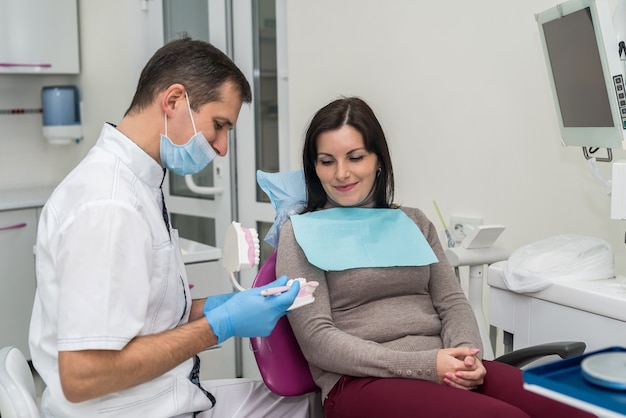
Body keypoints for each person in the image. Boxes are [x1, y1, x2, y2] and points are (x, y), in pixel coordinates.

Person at [29, 37, 310, 418]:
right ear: (174, 100)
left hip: (160, 395)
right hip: (126, 410)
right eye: (219, 125)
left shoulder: (137, 184)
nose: (223, 147)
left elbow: (142, 315)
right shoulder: (108, 205)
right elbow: (84, 376)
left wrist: (218, 306)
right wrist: (220, 324)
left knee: (304, 402)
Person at [275, 96, 596, 418]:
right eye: (327, 161)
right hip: (360, 383)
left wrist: (467, 358)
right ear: (314, 168)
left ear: (378, 159)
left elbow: (452, 303)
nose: (341, 173)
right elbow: (317, 340)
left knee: (577, 410)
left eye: (355, 157)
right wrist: (426, 365)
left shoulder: (413, 222)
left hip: (442, 364)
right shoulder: (300, 233)